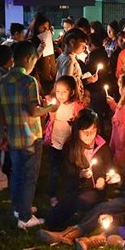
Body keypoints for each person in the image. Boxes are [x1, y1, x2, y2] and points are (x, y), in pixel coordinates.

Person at [38, 130, 125, 246]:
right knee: (102, 208)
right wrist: (118, 179)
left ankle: (75, 234)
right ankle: (70, 232)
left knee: (109, 213)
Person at [0, 40, 56, 229]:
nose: (33, 65)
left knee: (17, 173)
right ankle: (25, 218)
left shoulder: (3, 80)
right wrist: (51, 107)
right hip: (30, 136)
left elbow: (0, 111)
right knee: (29, 177)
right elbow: (33, 111)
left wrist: (2, 133)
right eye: (34, 62)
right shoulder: (29, 81)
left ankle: (19, 208)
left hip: (13, 136)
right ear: (28, 59)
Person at [43, 109, 115, 227]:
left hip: (94, 190)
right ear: (77, 131)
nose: (89, 135)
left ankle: (81, 221)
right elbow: (66, 173)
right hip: (74, 187)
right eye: (85, 131)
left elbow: (108, 167)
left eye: (93, 130)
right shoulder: (70, 146)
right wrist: (79, 175)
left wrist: (103, 179)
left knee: (81, 201)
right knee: (67, 203)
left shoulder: (102, 146)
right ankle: (53, 223)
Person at [44, 76, 85, 207]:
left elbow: (83, 122)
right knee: (54, 170)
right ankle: (52, 195)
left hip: (70, 144)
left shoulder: (77, 106)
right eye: (58, 91)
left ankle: (71, 193)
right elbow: (48, 121)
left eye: (64, 91)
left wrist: (76, 122)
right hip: (55, 143)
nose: (60, 95)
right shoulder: (55, 105)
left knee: (71, 170)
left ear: (72, 92)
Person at [56, 28, 97, 104]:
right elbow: (67, 82)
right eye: (82, 45)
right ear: (72, 42)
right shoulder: (69, 60)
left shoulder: (62, 56)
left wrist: (87, 80)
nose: (84, 48)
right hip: (71, 101)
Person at [28, 13, 57, 97]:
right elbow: (30, 64)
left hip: (50, 80)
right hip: (39, 82)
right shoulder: (31, 43)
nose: (46, 31)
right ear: (37, 27)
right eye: (43, 28)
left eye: (47, 28)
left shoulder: (49, 41)